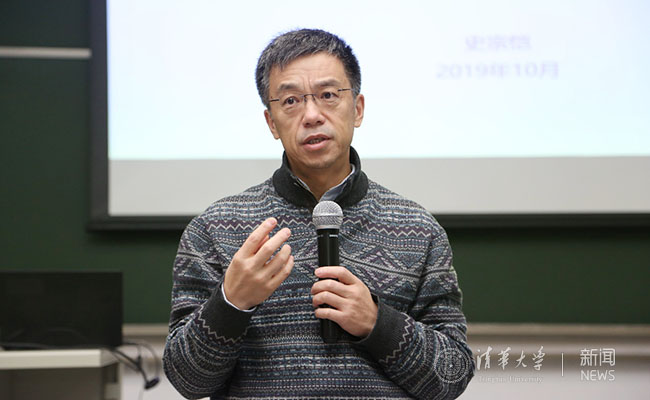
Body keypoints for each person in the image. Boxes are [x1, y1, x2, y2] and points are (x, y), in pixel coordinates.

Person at [163, 28, 474, 399]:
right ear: (271, 122)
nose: (311, 115)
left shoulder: (418, 230)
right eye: (291, 101)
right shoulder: (216, 229)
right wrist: (231, 303)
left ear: (357, 109)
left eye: (328, 95)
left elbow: (452, 376)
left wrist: (377, 323)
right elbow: (188, 381)